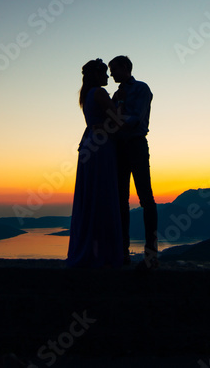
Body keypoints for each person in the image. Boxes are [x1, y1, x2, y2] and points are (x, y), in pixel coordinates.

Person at [65, 59, 124, 268]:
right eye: (105, 74)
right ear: (97, 76)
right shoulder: (99, 93)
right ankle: (103, 254)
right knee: (102, 194)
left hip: (90, 143)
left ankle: (89, 250)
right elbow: (118, 120)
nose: (108, 77)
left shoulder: (87, 95)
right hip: (101, 145)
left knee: (90, 195)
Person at [108, 55, 158, 269]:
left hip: (136, 144)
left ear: (126, 68)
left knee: (145, 198)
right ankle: (123, 252)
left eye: (115, 69)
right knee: (121, 200)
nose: (111, 75)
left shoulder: (141, 89)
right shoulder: (117, 94)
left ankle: (151, 254)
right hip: (119, 147)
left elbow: (136, 118)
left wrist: (117, 120)